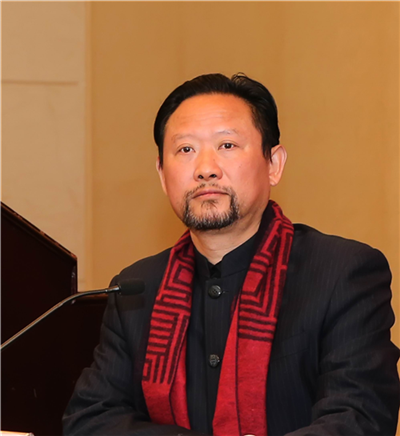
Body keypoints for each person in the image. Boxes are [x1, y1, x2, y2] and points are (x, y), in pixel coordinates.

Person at [63, 73, 399, 436]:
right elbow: (90, 420)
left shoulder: (341, 273)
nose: (206, 169)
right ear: (162, 174)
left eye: (227, 145)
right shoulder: (137, 288)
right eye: (185, 150)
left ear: (274, 164)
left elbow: (359, 418)